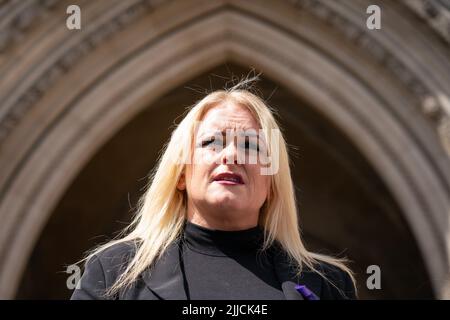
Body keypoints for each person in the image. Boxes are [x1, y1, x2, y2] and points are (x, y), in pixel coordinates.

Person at [71, 78, 357, 300]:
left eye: (250, 145)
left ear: (272, 183)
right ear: (181, 174)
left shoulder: (326, 284)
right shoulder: (113, 272)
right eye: (211, 143)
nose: (231, 156)